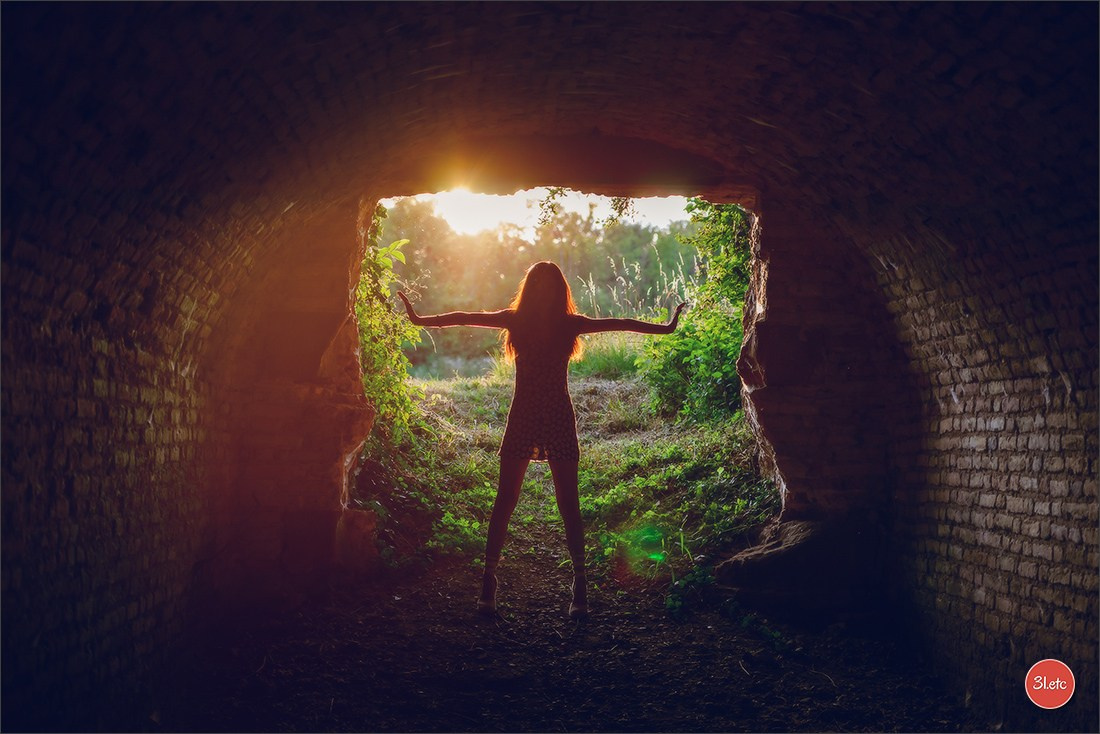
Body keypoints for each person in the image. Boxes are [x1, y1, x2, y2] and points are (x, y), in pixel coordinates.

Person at [398, 261, 686, 619]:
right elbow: (464, 316)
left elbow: (621, 323)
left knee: (569, 503)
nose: (546, 291)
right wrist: (420, 320)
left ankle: (579, 584)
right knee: (505, 499)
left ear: (560, 290)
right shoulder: (515, 319)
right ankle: (489, 581)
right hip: (523, 416)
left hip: (559, 418)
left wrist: (667, 327)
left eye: (552, 286)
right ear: (531, 288)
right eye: (540, 285)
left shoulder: (571, 324)